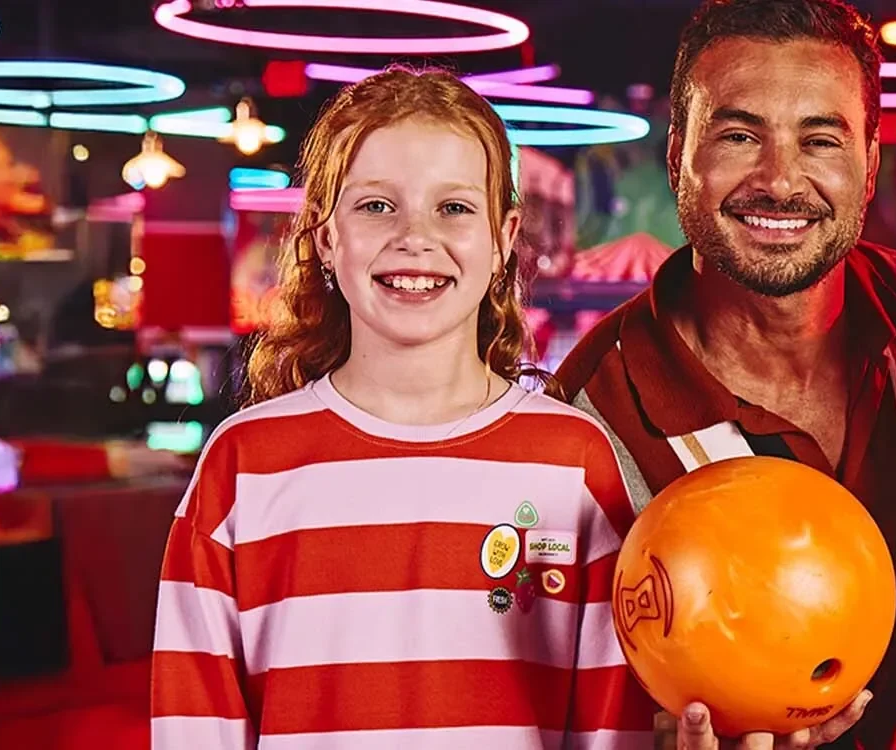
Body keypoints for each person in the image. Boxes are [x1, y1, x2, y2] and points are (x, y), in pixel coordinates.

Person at [148, 67, 651, 748]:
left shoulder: (575, 462)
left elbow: (611, 728)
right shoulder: (241, 468)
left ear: (504, 239)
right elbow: (194, 726)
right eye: (377, 206)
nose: (415, 237)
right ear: (327, 238)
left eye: (453, 208)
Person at [553, 0, 896, 747]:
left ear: (869, 168)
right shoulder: (587, 418)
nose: (780, 180)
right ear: (677, 156)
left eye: (821, 139)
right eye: (739, 135)